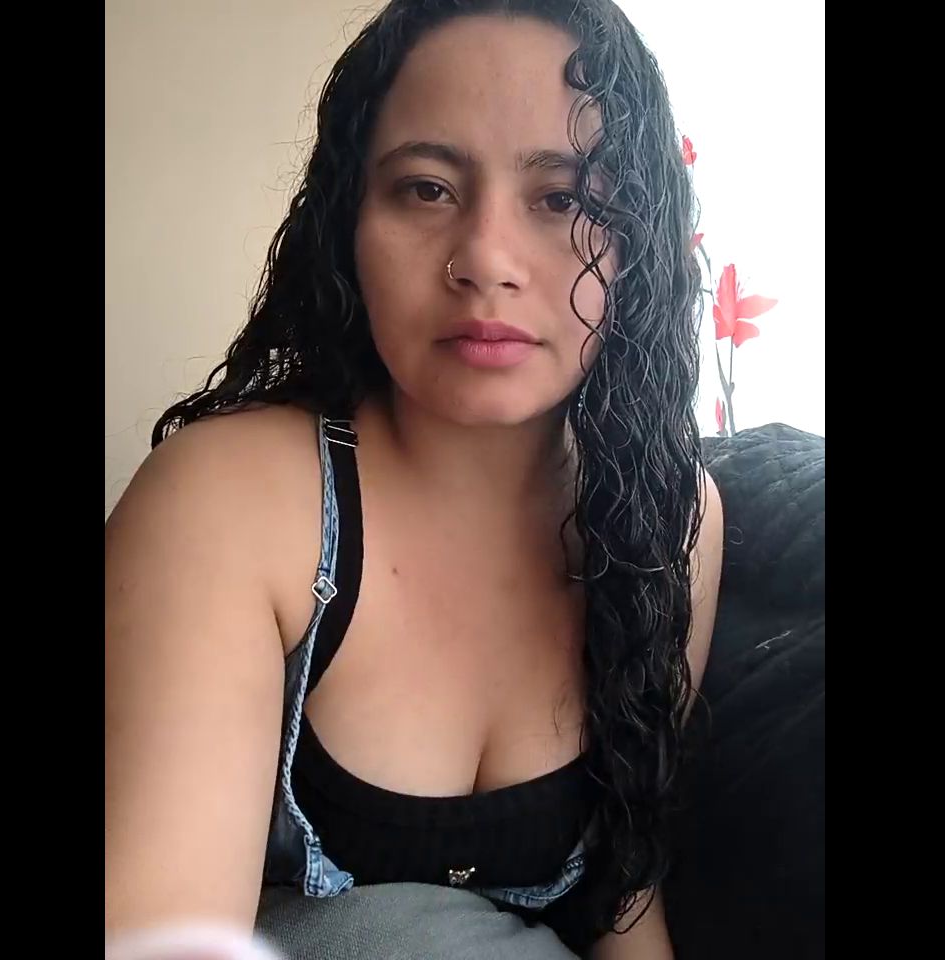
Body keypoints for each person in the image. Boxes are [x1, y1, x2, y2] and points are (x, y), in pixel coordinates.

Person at [105, 1, 723, 957]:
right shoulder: (228, 501)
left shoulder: (676, 523)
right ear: (348, 224)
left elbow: (626, 903)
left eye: (563, 200)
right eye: (427, 189)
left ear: (638, 241)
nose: (486, 261)